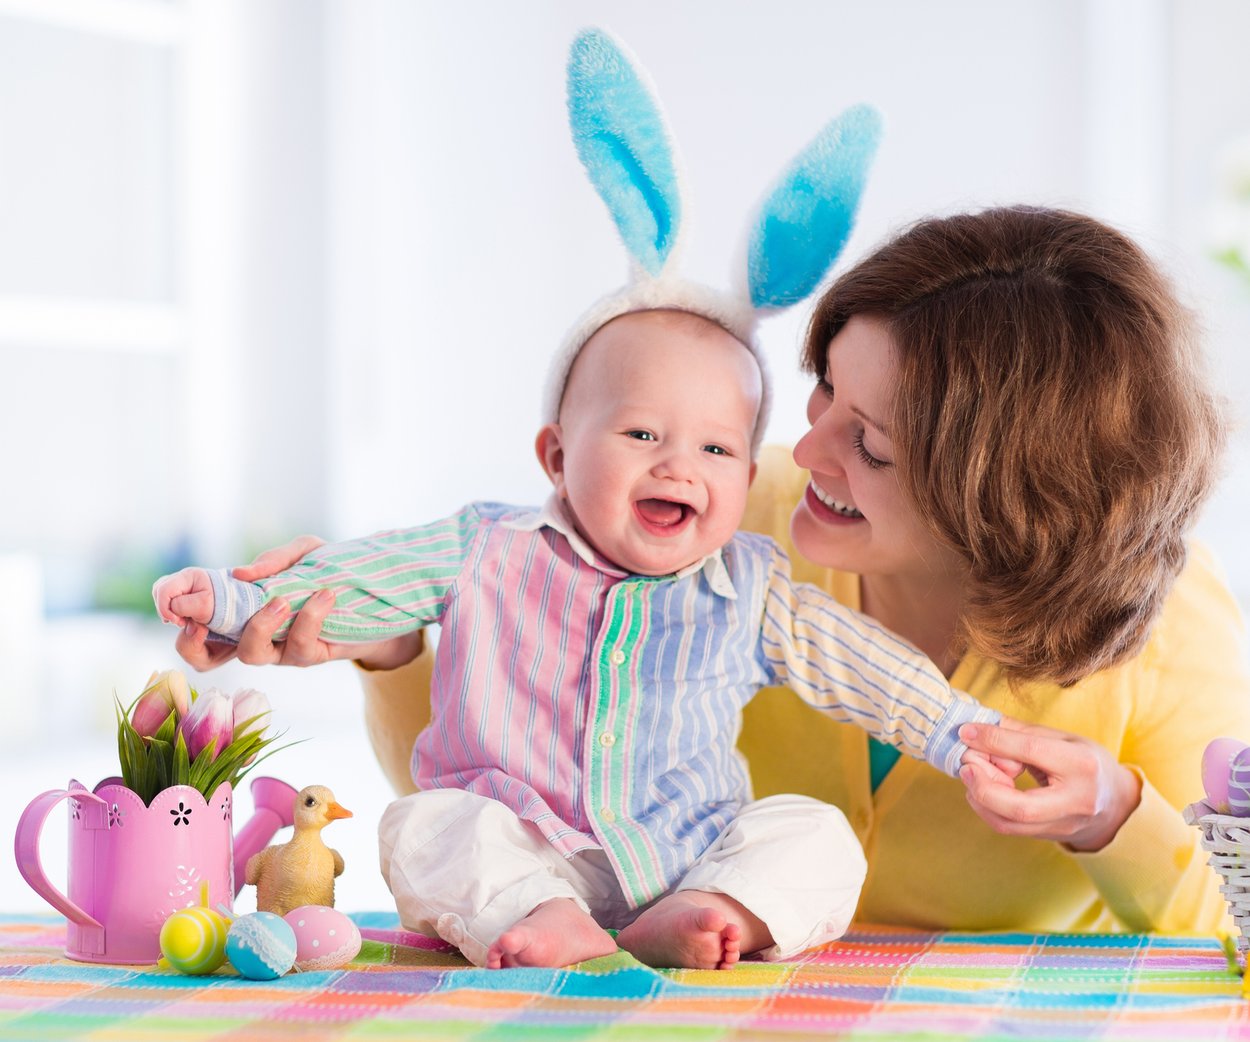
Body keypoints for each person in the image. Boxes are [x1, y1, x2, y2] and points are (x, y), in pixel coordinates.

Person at [181, 205, 1250, 938]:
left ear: (1004, 494)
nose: (807, 449)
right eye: (821, 391)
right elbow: (488, 787)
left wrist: (1107, 814)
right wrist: (391, 645)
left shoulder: (1163, 620)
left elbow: (1235, 923)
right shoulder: (721, 514)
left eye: (870, 445)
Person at [155, 306, 1001, 970]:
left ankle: (715, 914)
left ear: (746, 479)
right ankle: (538, 916)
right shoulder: (485, 547)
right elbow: (361, 575)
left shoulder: (752, 586)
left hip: (692, 853)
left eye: (715, 447)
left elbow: (863, 666)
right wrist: (231, 599)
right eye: (641, 434)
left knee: (816, 837)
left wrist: (962, 736)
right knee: (424, 826)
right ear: (557, 456)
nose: (677, 464)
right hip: (523, 845)